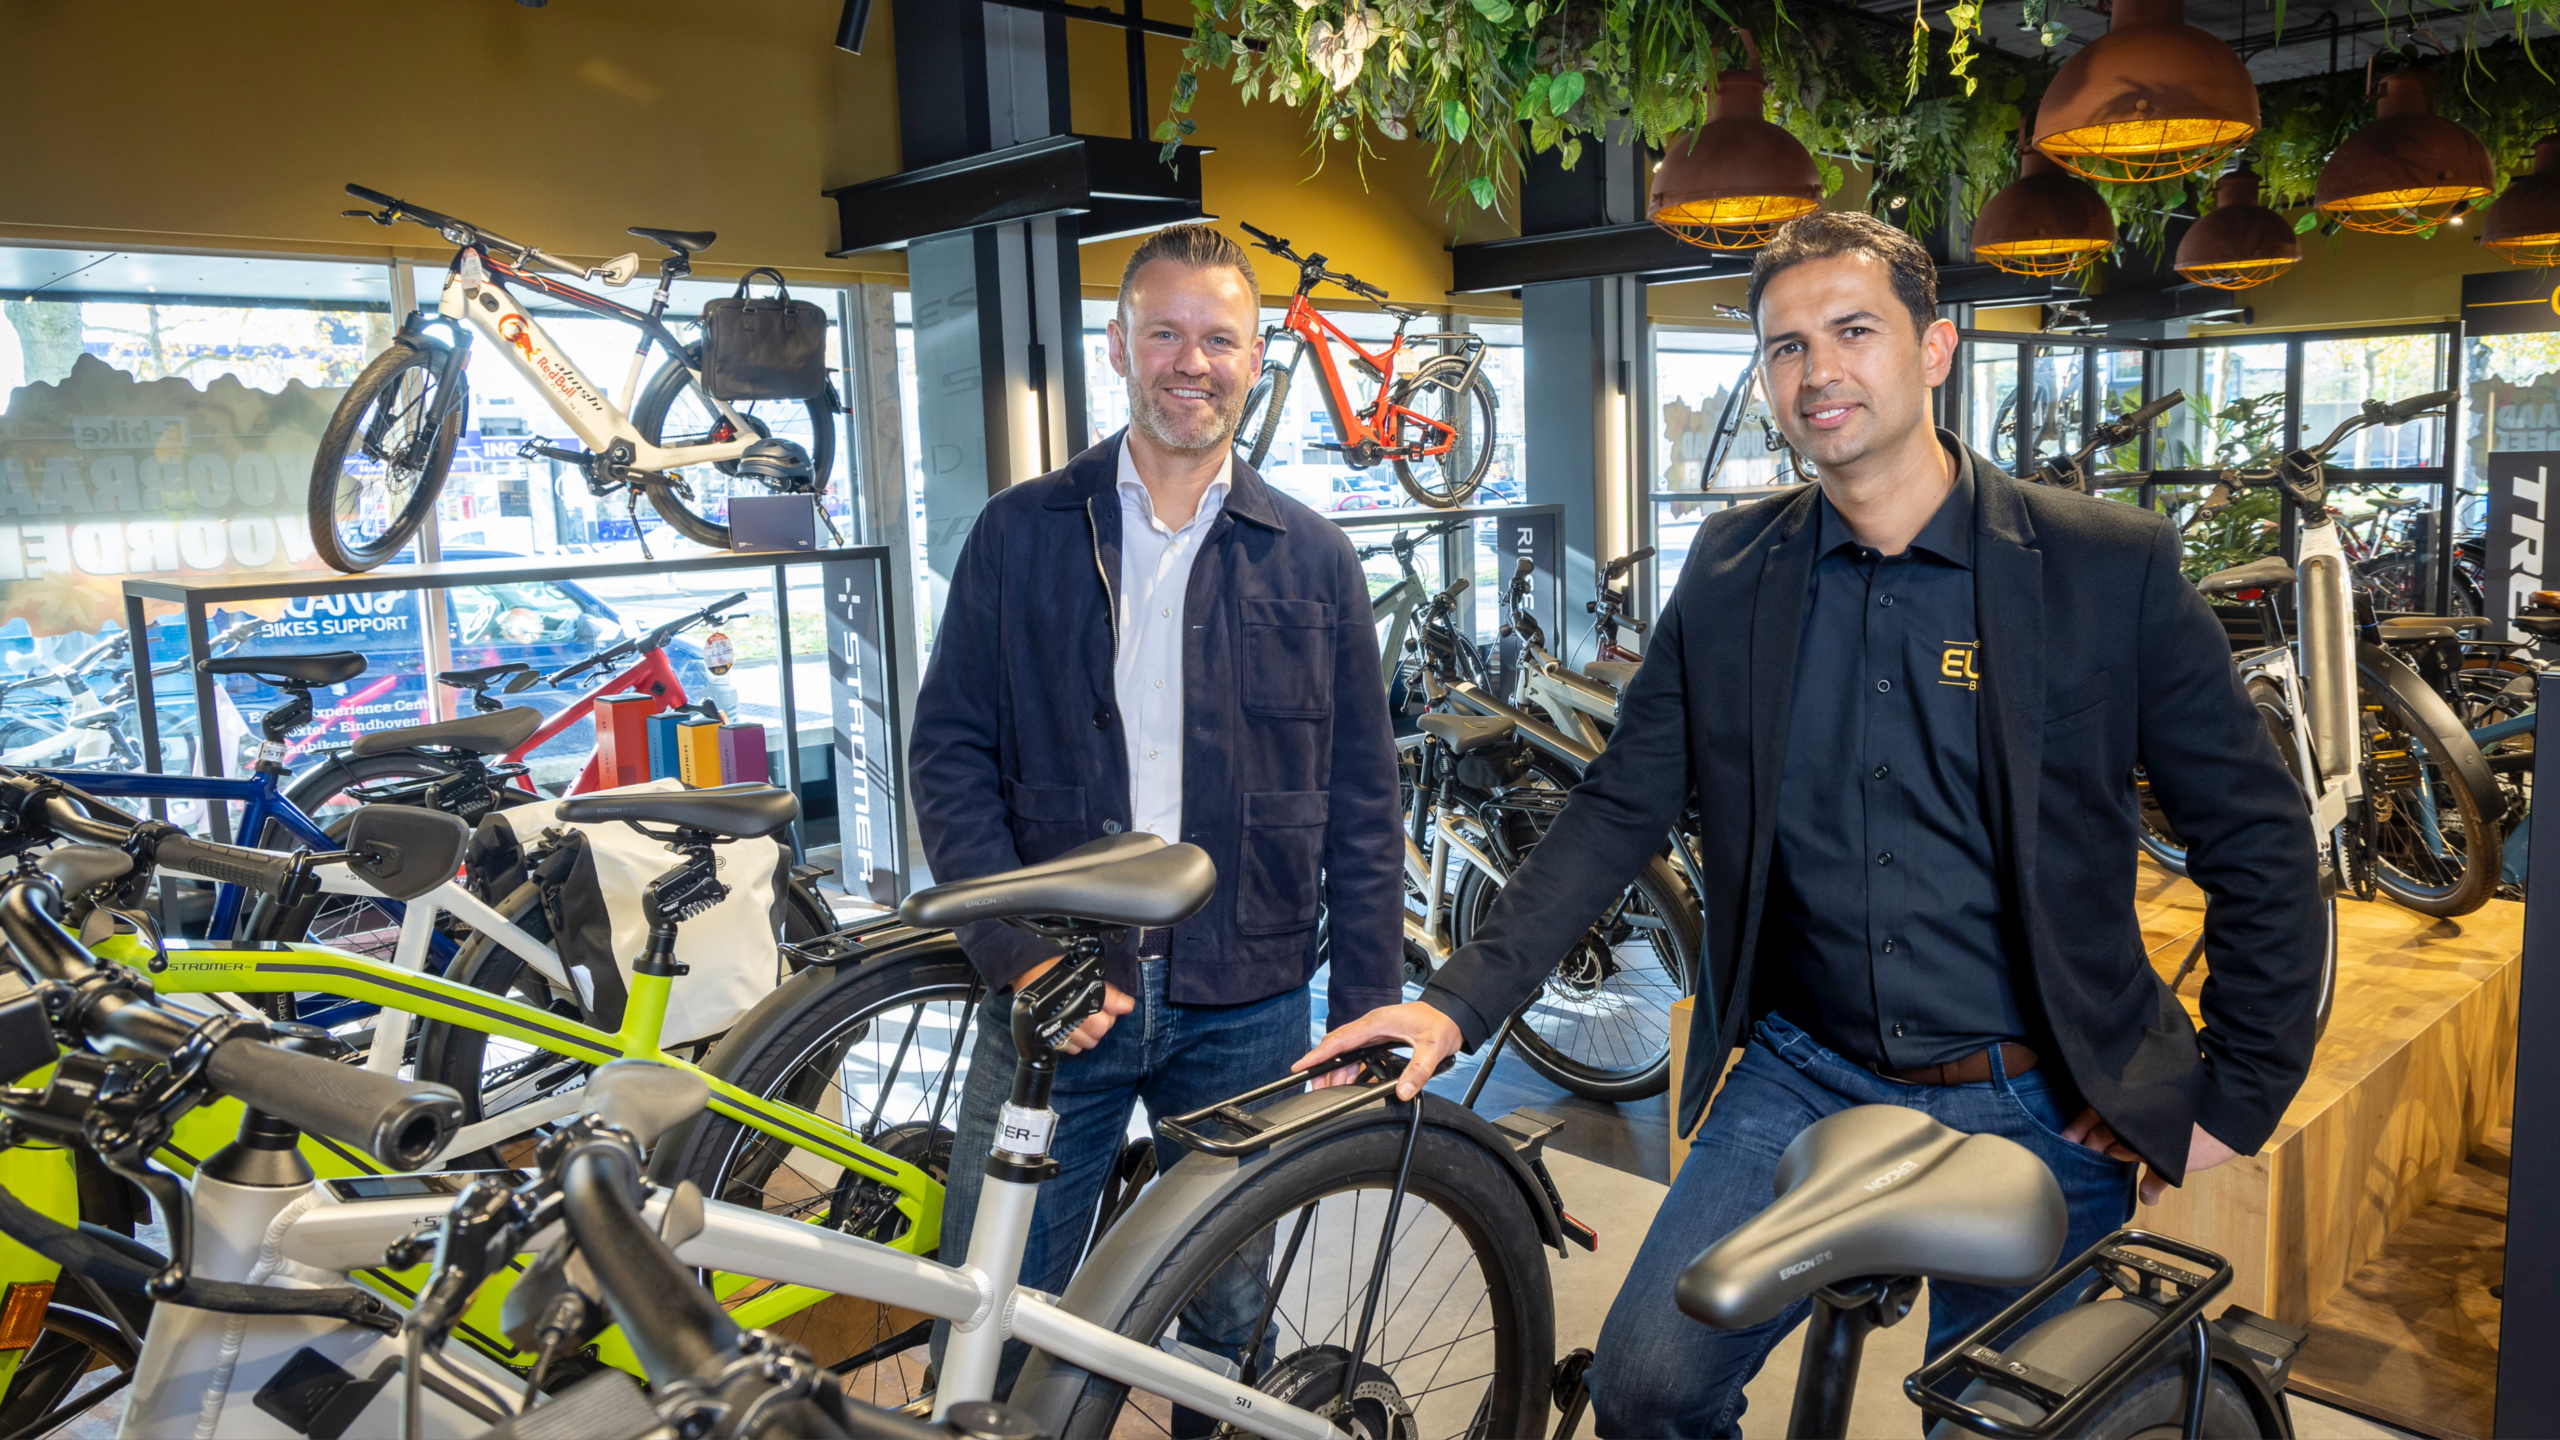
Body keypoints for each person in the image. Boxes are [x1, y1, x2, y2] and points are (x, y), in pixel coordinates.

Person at [1300, 210, 2326, 1437]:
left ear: (1934, 349)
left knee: (1994, 1426)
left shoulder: (2106, 564)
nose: (1817, 371)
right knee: (1645, 1391)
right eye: (1784, 347)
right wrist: (1455, 1002)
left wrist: (2231, 1098)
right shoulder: (1733, 569)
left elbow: (2257, 841)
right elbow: (1618, 806)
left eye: (1852, 331)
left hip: (2040, 1090)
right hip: (1801, 1072)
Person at [908, 224, 1403, 1393]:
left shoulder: (1314, 558)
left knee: (1224, 1311)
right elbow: (951, 752)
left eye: (1219, 339)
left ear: (1255, 359)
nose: (1192, 362)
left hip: (1252, 999)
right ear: (1118, 347)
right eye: (1165, 333)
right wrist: (1015, 951)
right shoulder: (1022, 533)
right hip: (1057, 985)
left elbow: (1362, 801)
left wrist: (1367, 1003)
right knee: (990, 1300)